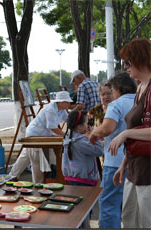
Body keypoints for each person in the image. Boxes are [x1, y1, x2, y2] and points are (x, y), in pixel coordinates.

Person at [108, 38, 151, 228]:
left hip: (148, 172)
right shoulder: (140, 88)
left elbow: (133, 132)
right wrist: (124, 164)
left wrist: (125, 135)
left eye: (128, 62)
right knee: (129, 219)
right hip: (134, 168)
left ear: (140, 59)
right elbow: (135, 129)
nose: (125, 67)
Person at [89, 72, 137, 228]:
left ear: (117, 88)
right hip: (137, 160)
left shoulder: (116, 104)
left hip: (115, 161)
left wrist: (94, 133)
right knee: (131, 206)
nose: (109, 95)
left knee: (109, 203)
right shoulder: (141, 100)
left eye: (111, 91)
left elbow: (107, 129)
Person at [9, 91, 72, 183]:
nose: (69, 104)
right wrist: (67, 136)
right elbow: (53, 128)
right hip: (34, 135)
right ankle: (37, 185)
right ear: (61, 102)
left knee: (25, 157)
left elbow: (69, 119)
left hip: (42, 134)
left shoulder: (61, 109)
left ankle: (11, 176)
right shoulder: (50, 110)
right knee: (37, 161)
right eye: (67, 102)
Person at [62, 110, 103, 186]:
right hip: (84, 179)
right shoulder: (80, 142)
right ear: (80, 126)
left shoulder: (68, 137)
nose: (88, 126)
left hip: (72, 176)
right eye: (86, 123)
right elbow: (100, 151)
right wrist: (95, 136)